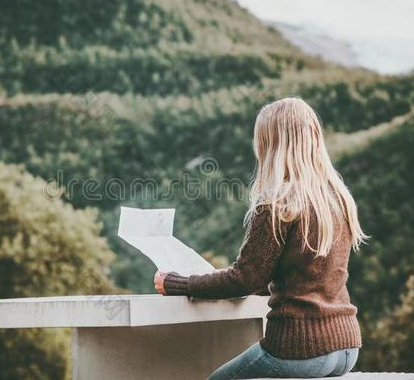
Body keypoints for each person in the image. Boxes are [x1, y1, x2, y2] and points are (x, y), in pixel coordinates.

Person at [154, 97, 368, 379]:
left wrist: (178, 283)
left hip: (299, 349)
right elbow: (305, 275)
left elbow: (245, 278)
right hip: (345, 347)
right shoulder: (336, 198)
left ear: (271, 144)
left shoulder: (278, 203)